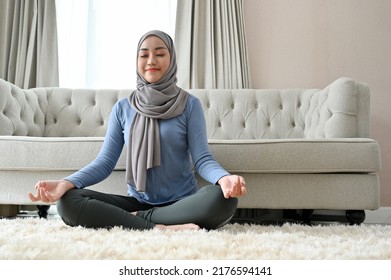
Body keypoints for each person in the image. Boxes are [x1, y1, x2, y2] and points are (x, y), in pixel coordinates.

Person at [28, 30, 247, 231]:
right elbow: (104, 163)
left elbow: (202, 160)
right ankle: (161, 228)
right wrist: (65, 183)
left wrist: (223, 178)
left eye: (160, 54)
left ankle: (134, 220)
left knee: (223, 200)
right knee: (67, 202)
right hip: (137, 200)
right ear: (137, 61)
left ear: (171, 60)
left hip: (182, 203)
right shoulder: (123, 108)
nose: (151, 61)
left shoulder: (189, 104)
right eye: (144, 55)